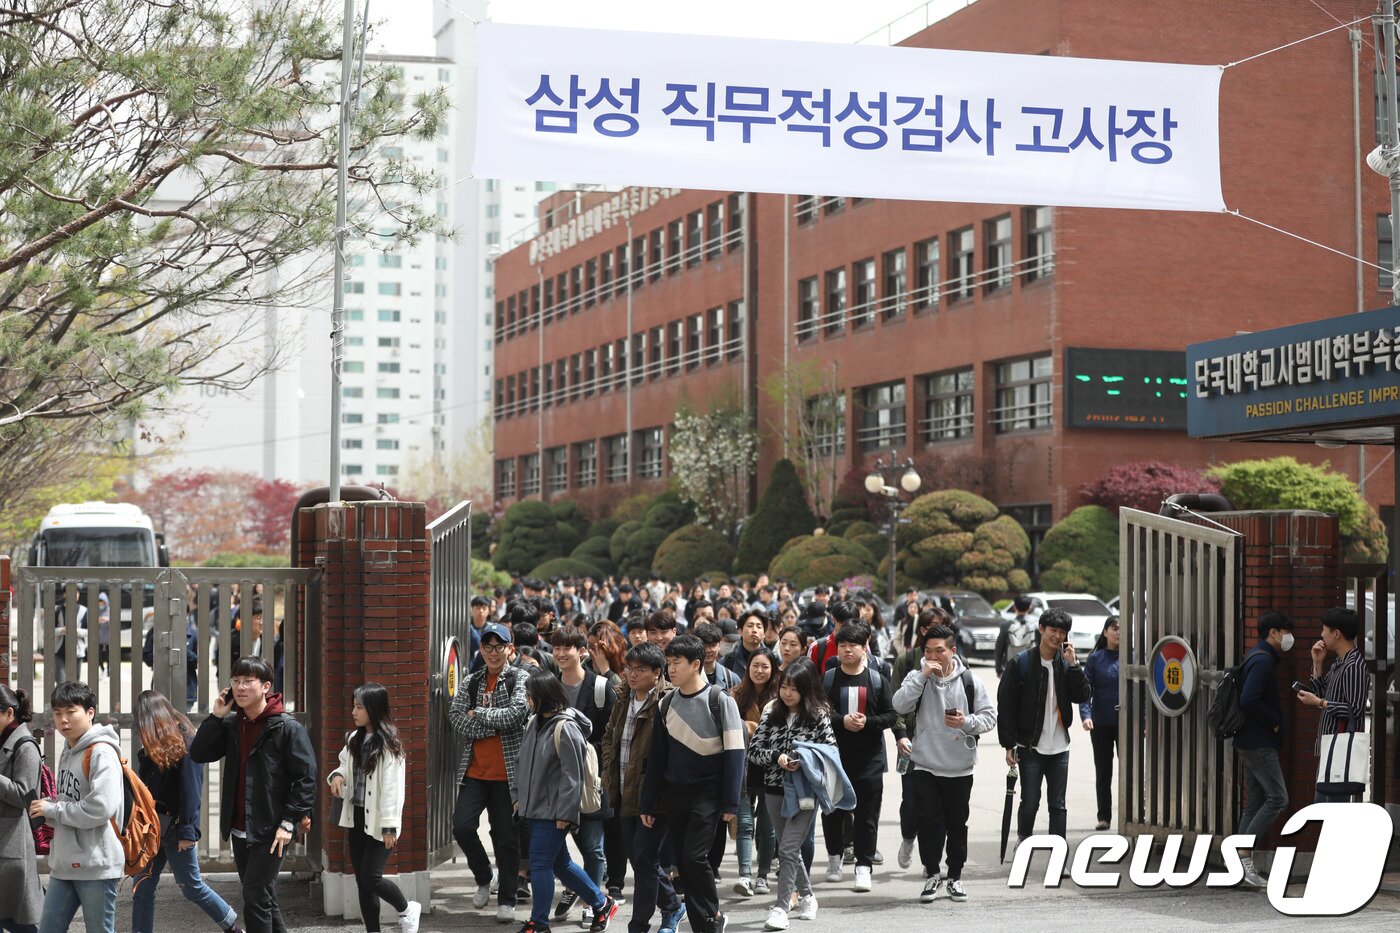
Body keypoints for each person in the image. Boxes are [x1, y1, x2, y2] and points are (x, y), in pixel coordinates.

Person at [191, 657, 316, 933]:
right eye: (236, 681)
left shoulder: (286, 727)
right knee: (263, 895)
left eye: (248, 681)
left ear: (265, 686)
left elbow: (305, 779)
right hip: (240, 827)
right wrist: (216, 716)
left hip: (272, 827)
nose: (240, 688)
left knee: (255, 896)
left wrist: (288, 822)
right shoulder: (232, 725)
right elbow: (199, 753)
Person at [641, 635, 745, 933]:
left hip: (709, 794)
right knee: (683, 863)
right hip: (676, 794)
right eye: (668, 663)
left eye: (677, 663)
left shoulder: (720, 700)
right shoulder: (666, 703)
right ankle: (705, 923)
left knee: (694, 856)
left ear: (696, 664)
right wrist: (648, 802)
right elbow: (658, 758)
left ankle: (711, 915)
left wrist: (730, 802)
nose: (670, 669)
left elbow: (735, 753)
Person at [892, 624, 996, 903]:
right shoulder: (918, 676)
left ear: (953, 650)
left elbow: (989, 717)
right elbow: (899, 705)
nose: (934, 656)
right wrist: (921, 676)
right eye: (928, 651)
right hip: (925, 763)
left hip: (960, 767)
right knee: (928, 822)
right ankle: (932, 875)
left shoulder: (969, 680)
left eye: (940, 650)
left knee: (956, 824)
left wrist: (966, 722)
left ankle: (956, 877)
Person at [513, 670, 619, 933]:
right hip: (533, 809)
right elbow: (520, 763)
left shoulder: (566, 727)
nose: (527, 700)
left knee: (539, 864)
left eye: (530, 695)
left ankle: (539, 922)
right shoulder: (533, 723)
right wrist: (516, 797)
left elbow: (573, 776)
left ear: (543, 697)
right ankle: (601, 903)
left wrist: (566, 813)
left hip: (553, 812)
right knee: (561, 864)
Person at [132, 690, 242, 933]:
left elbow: (191, 792)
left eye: (142, 721)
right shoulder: (153, 747)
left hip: (176, 828)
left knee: (191, 886)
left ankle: (232, 927)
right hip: (152, 828)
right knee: (142, 886)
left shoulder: (186, 745)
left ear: (154, 719)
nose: (139, 727)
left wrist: (187, 832)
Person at [601, 644, 684, 933]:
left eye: (640, 670)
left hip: (654, 797)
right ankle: (672, 904)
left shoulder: (668, 700)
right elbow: (610, 734)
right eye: (629, 668)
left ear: (657, 673)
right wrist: (608, 769)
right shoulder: (623, 696)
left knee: (645, 859)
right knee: (640, 859)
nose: (632, 674)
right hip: (623, 791)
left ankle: (638, 925)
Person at [747, 659, 834, 931]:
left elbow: (830, 753)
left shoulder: (819, 715)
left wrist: (803, 759)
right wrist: (776, 757)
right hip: (774, 790)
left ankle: (781, 907)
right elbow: (754, 751)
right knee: (789, 849)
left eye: (794, 688)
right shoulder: (772, 712)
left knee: (786, 849)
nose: (787, 693)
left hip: (805, 792)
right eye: (784, 686)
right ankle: (807, 895)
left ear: (806, 689)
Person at [449, 621, 528, 923]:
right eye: (488, 646)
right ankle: (484, 876)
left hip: (509, 775)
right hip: (475, 772)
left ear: (510, 649)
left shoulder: (519, 677)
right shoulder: (471, 680)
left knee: (507, 839)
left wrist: (479, 714)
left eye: (500, 647)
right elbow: (455, 717)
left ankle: (507, 899)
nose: (493, 653)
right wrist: (492, 725)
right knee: (462, 827)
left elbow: (517, 713)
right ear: (480, 649)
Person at [29, 682, 123, 933]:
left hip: (96, 865)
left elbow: (100, 808)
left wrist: (53, 810)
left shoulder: (101, 752)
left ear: (90, 712)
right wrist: (48, 807)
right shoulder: (67, 750)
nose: (63, 720)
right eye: (58, 714)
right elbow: (70, 801)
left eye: (71, 712)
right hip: (64, 863)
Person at [328, 684, 419, 933]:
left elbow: (393, 789)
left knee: (371, 877)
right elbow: (343, 764)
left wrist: (389, 825)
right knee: (362, 882)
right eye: (354, 706)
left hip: (380, 821)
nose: (354, 712)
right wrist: (336, 776)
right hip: (356, 817)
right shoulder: (354, 739)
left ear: (374, 709)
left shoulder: (390, 745)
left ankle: (407, 909)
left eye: (360, 707)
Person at [821, 621, 902, 891]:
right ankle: (834, 858)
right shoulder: (829, 678)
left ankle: (863, 866)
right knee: (832, 810)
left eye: (852, 645)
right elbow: (819, 714)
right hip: (834, 757)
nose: (846, 650)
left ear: (864, 646)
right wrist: (841, 721)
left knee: (867, 814)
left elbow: (891, 715)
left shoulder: (877, 679)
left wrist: (866, 723)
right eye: (842, 645)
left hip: (870, 759)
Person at [996, 608, 1090, 842]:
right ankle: (1023, 841)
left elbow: (1083, 695)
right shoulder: (1021, 663)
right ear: (1041, 629)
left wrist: (1075, 665)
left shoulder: (1067, 663)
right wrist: (1009, 744)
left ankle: (1057, 854)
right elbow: (1006, 705)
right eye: (1053, 630)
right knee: (1029, 803)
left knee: (1058, 806)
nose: (1057, 636)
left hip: (1060, 747)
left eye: (1062, 632)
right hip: (1030, 746)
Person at [550, 627, 617, 923]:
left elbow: (611, 734)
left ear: (583, 651)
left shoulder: (601, 687)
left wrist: (596, 766)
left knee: (592, 845)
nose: (562, 654)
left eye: (568, 648)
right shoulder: (549, 687)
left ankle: (594, 901)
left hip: (590, 779)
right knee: (552, 845)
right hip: (556, 779)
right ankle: (577, 885)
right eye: (557, 648)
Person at [1233, 610, 1293, 889]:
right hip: (1259, 741)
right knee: (1278, 798)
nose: (1288, 637)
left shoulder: (1255, 656)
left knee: (1255, 802)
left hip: (1248, 740)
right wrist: (1274, 721)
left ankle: (1237, 866)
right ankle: (1243, 854)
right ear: (1274, 633)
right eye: (1285, 632)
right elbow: (1249, 699)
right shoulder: (1263, 661)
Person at [890, 608, 944, 870]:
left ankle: (931, 857)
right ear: (922, 631)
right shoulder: (906, 661)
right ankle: (908, 838)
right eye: (933, 626)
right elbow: (896, 704)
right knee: (911, 800)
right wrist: (900, 734)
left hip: (942, 743)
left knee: (939, 803)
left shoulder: (955, 662)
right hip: (910, 742)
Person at [1297, 606, 1368, 803]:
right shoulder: (1339, 662)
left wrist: (1319, 702)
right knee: (1323, 810)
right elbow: (1323, 693)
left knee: (1334, 814)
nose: (1321, 633)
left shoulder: (1354, 666)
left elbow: (1355, 709)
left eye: (1324, 629)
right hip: (1331, 746)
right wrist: (1317, 664)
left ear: (1336, 634)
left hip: (1341, 749)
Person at [731, 648, 780, 898]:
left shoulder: (781, 696)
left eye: (765, 666)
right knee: (745, 824)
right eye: (755, 666)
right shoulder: (736, 694)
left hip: (772, 767)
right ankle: (744, 875)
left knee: (767, 826)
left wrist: (750, 728)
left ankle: (762, 875)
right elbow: (730, 728)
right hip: (743, 768)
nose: (759, 671)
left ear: (772, 670)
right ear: (748, 667)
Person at [0, 686, 43, 933]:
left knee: (18, 920)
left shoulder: (25, 746)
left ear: (8, 713)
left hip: (12, 846)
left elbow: (24, 796)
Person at [1078, 616, 1121, 832]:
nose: (1119, 633)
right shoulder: (1096, 659)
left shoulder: (1133, 658)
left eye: (1123, 629)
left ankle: (1133, 815)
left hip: (1126, 725)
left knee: (1131, 771)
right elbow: (1086, 691)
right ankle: (1104, 816)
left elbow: (1141, 693)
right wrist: (1086, 715)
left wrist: (1143, 719)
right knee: (1104, 772)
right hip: (1101, 723)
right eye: (1115, 628)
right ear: (1105, 632)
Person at [995, 596, 1037, 678]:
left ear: (1014, 607)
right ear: (1029, 608)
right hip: (1030, 669)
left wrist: (999, 670)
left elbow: (999, 649)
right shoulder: (1035, 626)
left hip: (1011, 668)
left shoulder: (1006, 626)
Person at [692, 622, 741, 691]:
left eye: (712, 645)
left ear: (719, 645)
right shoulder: (686, 676)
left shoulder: (731, 679)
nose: (708, 650)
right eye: (704, 645)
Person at [807, 601, 854, 673]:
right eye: (843, 624)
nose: (847, 628)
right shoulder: (817, 647)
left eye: (851, 625)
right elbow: (810, 679)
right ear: (834, 620)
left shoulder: (862, 647)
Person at [720, 610, 767, 678]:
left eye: (759, 627)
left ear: (764, 633)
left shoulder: (773, 660)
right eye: (750, 626)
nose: (754, 630)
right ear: (740, 631)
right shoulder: (727, 661)